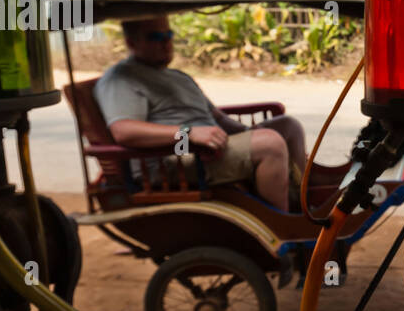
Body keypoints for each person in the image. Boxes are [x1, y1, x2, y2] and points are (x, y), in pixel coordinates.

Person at [94, 14, 306, 210]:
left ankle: (304, 198)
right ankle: (283, 223)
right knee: (270, 144)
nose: (166, 43)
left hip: (204, 148)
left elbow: (217, 117)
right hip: (172, 158)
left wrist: (248, 132)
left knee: (287, 126)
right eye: (155, 37)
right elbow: (124, 131)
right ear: (132, 43)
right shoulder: (121, 79)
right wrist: (188, 133)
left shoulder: (177, 76)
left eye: (168, 35)